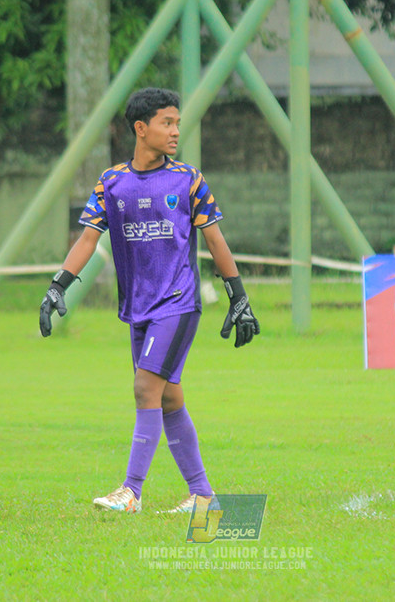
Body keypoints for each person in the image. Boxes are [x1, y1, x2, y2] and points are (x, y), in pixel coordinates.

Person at [39, 87, 259, 514]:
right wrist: (57, 286)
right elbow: (88, 238)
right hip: (139, 308)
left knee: (145, 388)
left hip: (178, 303)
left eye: (177, 122)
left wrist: (239, 297)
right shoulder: (112, 183)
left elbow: (215, 239)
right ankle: (203, 496)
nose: (176, 131)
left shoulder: (188, 179)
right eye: (167, 122)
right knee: (169, 397)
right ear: (141, 129)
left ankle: (131, 491)